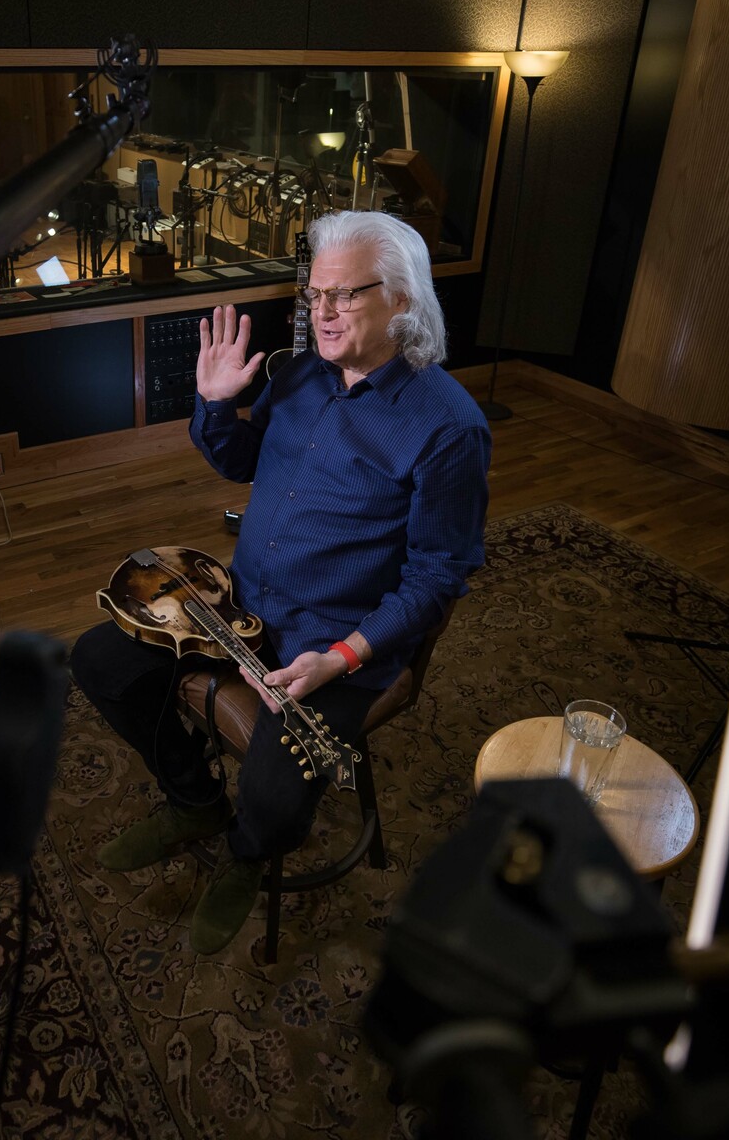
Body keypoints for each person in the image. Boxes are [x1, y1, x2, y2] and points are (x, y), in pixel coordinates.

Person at [70, 210, 491, 954]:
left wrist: (344, 656)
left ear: (402, 299)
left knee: (272, 794)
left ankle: (246, 853)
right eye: (315, 295)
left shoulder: (449, 427)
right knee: (100, 661)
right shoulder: (299, 373)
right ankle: (195, 802)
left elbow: (438, 578)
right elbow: (242, 460)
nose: (322, 312)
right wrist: (214, 404)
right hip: (240, 603)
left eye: (344, 295)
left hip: (335, 640)